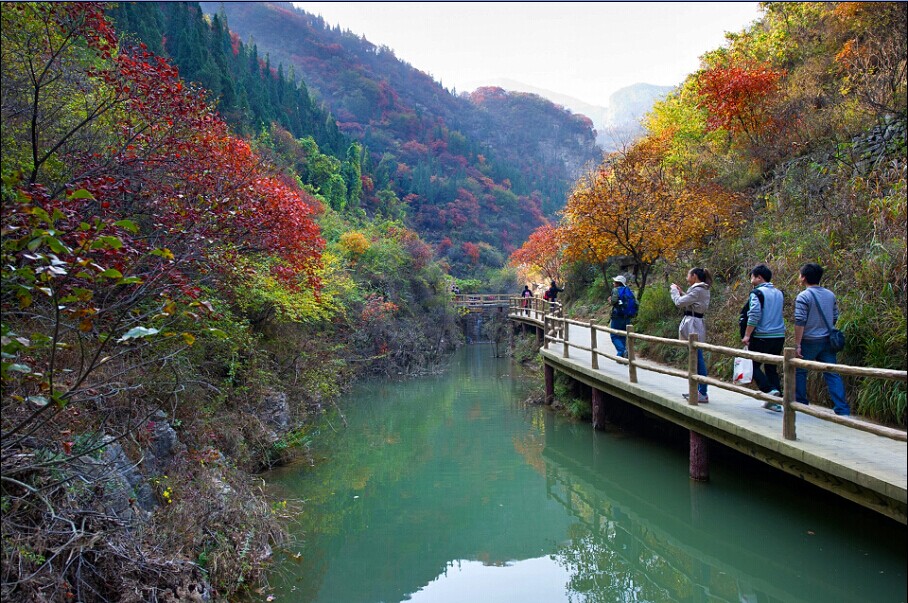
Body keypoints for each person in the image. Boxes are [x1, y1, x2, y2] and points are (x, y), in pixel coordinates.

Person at [794, 263, 850, 415]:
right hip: (827, 341)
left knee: (800, 371)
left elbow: (800, 322)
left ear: (803, 277)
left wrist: (797, 344)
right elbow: (835, 316)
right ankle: (842, 409)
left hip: (808, 341)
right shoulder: (829, 294)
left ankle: (800, 404)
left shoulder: (803, 296)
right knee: (832, 373)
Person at [741, 264, 786, 412]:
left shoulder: (757, 293)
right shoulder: (779, 293)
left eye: (752, 277)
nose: (751, 280)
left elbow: (754, 314)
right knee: (771, 368)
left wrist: (747, 334)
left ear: (759, 277)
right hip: (779, 336)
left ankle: (768, 391)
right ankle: (776, 402)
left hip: (762, 336)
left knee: (751, 365)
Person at [671, 268, 711, 403]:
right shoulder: (700, 289)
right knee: (696, 357)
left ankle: (702, 392)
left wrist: (675, 292)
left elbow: (679, 303)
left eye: (688, 274)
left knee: (698, 358)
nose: (687, 277)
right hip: (695, 322)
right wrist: (682, 292)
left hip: (694, 324)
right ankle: (699, 390)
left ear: (694, 276)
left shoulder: (698, 289)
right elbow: (692, 301)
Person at [608, 275, 636, 358]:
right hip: (627, 317)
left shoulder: (616, 290)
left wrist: (610, 300)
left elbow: (613, 301)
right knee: (623, 335)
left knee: (614, 335)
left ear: (617, 283)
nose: (613, 283)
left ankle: (622, 351)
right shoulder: (629, 290)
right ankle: (623, 355)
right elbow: (635, 303)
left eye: (615, 282)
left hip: (617, 316)